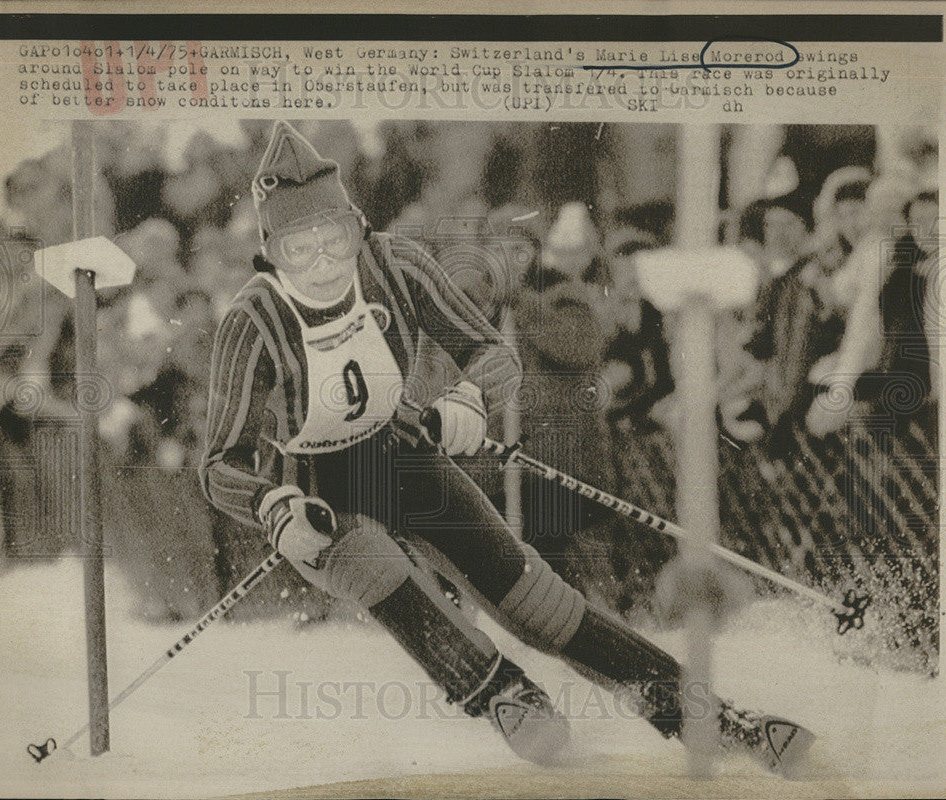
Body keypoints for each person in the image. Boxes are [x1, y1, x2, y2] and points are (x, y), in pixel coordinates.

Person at [199, 121, 811, 771]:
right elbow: (220, 464)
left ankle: (701, 711)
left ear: (357, 228)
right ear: (271, 252)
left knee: (538, 605)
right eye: (300, 249)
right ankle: (505, 696)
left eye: (335, 240)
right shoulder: (254, 320)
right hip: (320, 496)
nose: (323, 263)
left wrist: (468, 398)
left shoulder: (395, 264)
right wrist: (275, 509)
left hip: (406, 454)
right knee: (378, 565)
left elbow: (490, 351)